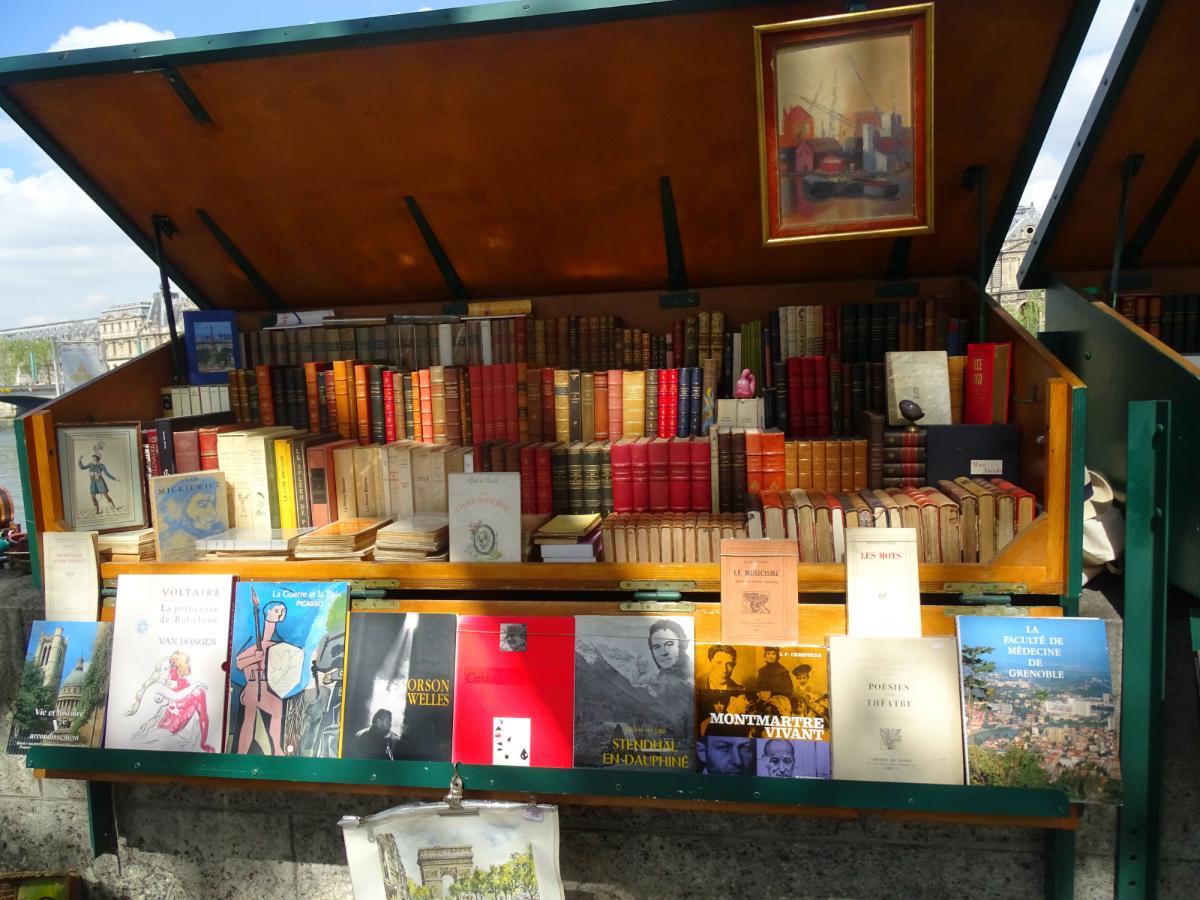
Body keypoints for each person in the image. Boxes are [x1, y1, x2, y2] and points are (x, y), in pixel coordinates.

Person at [128, 650, 215, 752]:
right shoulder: (168, 687)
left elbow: (203, 718)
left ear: (180, 667)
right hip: (157, 729)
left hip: (171, 736)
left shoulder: (197, 692)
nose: (169, 669)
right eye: (169, 666)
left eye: (172, 666)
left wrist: (203, 744)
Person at [235, 601, 287, 755]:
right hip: (253, 686)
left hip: (268, 687)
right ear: (267, 613)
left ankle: (277, 749)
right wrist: (254, 658)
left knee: (277, 710)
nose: (280, 613)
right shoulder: (253, 640)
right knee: (249, 719)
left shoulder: (278, 643)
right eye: (277, 610)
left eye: (283, 611)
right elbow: (239, 663)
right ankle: (242, 752)